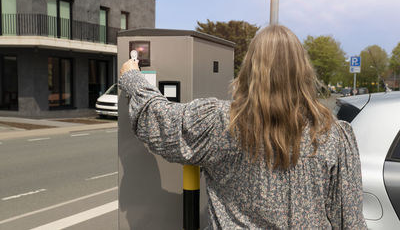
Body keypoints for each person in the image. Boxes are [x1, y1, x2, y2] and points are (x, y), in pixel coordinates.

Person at [119, 25, 367, 229]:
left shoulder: (221, 123)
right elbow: (350, 222)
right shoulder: (332, 135)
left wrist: (132, 77)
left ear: (250, 68)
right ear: (303, 71)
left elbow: (161, 121)